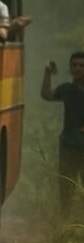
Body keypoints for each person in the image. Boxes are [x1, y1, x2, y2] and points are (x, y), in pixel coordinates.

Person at [41, 53, 84, 214]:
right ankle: (66, 225)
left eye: (81, 65)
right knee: (66, 190)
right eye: (75, 65)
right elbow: (47, 95)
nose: (78, 68)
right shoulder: (67, 89)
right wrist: (47, 73)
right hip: (69, 146)